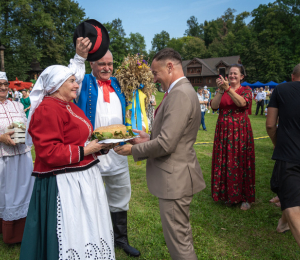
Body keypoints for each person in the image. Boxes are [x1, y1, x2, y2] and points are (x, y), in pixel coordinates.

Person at [20, 36, 116, 259]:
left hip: (82, 178)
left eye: (76, 80)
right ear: (55, 85)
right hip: (64, 183)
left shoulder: (68, 105)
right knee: (71, 231)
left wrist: (101, 147)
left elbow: (81, 138)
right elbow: (49, 153)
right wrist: (87, 150)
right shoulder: (47, 109)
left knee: (88, 227)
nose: (76, 85)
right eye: (72, 81)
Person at [114, 48, 206, 260]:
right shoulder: (182, 91)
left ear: (170, 67)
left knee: (179, 244)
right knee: (181, 236)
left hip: (175, 180)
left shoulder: (179, 94)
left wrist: (133, 149)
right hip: (178, 175)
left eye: (156, 73)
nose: (154, 79)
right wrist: (149, 137)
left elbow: (167, 143)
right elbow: (173, 135)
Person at [74, 19, 141, 257]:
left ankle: (120, 240)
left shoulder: (120, 85)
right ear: (93, 64)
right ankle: (92, 239)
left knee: (120, 196)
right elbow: (74, 74)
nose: (107, 68)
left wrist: (132, 136)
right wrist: (79, 57)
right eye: (102, 63)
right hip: (93, 152)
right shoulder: (83, 83)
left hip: (118, 153)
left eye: (110, 64)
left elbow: (130, 113)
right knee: (90, 199)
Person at [210, 64, 255, 210]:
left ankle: (245, 197)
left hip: (239, 131)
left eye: (235, 74)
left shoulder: (246, 90)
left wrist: (228, 89)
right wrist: (221, 91)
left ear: (242, 76)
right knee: (225, 161)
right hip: (223, 131)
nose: (232, 76)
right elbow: (214, 106)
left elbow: (242, 103)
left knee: (240, 160)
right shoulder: (223, 90)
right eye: (230, 74)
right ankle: (229, 195)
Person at [266, 63, 300, 246]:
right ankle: (283, 223)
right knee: (289, 193)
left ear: (293, 76)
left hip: (289, 154)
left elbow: (270, 125)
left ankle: (286, 221)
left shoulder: (281, 89)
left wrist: (276, 143)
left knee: (293, 205)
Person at [0, 72, 35, 244]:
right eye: (0, 84)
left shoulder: (18, 105)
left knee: (25, 189)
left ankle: (25, 230)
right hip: (3, 157)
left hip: (22, 154)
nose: (4, 87)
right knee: (6, 192)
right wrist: (1, 137)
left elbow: (26, 125)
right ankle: (8, 232)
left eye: (5, 84)